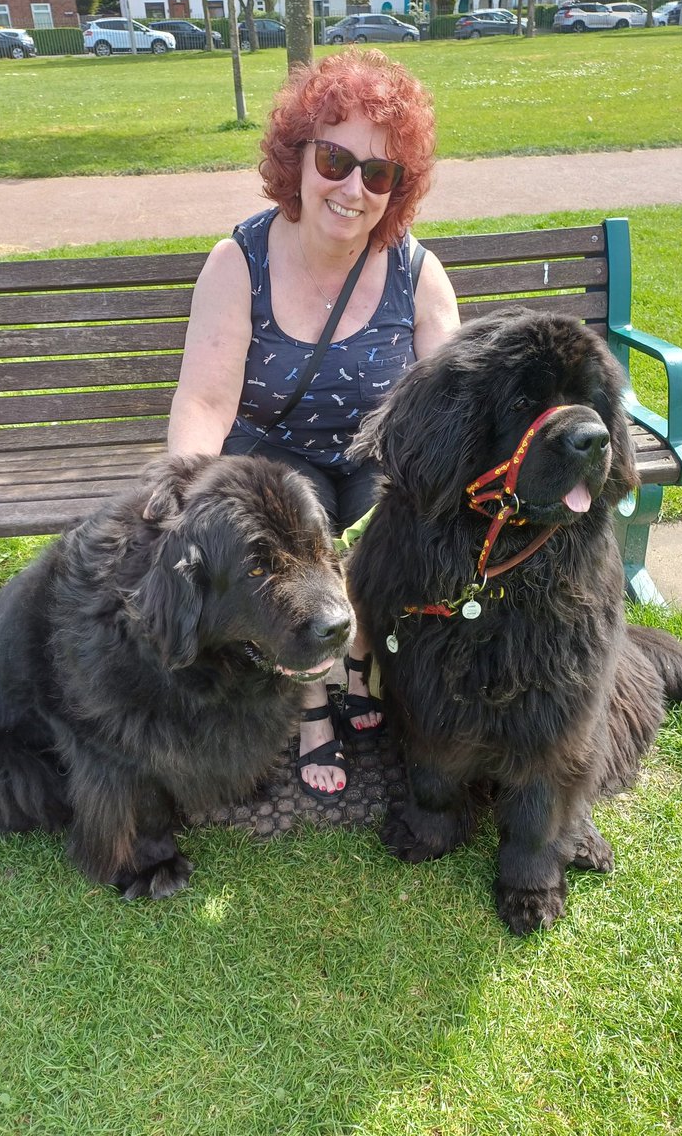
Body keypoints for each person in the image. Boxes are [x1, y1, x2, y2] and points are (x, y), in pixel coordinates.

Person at [167, 47, 460, 802]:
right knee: (297, 535)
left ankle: (360, 661)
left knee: (401, 522)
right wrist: (190, 494)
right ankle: (308, 705)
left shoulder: (416, 273)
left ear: (396, 189)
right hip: (270, 462)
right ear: (296, 158)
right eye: (335, 158)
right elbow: (204, 404)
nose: (353, 187)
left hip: (369, 457)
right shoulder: (240, 261)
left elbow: (453, 403)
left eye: (379, 173)